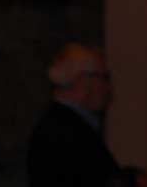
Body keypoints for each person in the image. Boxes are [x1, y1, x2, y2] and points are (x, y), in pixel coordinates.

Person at [28, 43, 118, 187]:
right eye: (104, 78)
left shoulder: (60, 125)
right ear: (84, 81)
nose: (108, 88)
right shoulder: (65, 131)